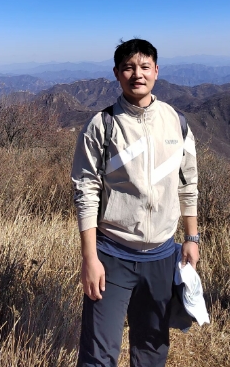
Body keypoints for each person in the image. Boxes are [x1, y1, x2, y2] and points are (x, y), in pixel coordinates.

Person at [72, 38, 199, 367]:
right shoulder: (102, 125)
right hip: (112, 255)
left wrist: (191, 237)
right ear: (117, 73)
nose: (137, 74)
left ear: (156, 70)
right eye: (128, 67)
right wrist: (89, 257)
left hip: (162, 256)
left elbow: (188, 183)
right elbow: (85, 191)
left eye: (144, 67)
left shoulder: (177, 122)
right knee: (98, 355)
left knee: (152, 351)